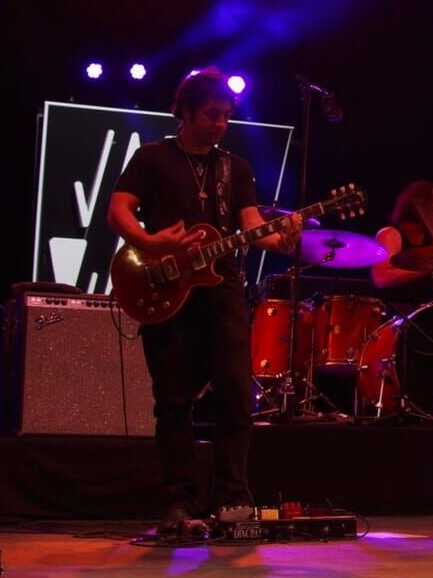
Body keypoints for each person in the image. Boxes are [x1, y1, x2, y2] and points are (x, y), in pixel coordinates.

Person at [107, 68, 300, 535]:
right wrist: (150, 242)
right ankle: (179, 499)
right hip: (167, 291)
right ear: (185, 112)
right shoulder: (153, 157)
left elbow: (250, 225)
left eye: (226, 116)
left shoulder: (235, 168)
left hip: (222, 290)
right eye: (212, 114)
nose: (220, 124)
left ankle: (233, 496)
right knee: (173, 400)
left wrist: (281, 238)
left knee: (235, 393)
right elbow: (117, 210)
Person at [370, 180, 433, 312]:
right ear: (420, 206)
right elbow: (381, 278)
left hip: (422, 312)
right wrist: (426, 269)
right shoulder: (390, 233)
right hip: (394, 313)